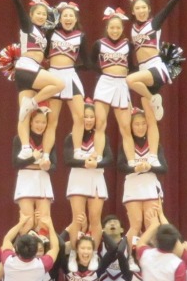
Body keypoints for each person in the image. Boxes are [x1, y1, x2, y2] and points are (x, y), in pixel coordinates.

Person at [125, 0, 187, 166]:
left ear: (148, 10)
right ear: (133, 11)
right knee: (150, 119)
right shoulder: (132, 30)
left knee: (130, 81)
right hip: (144, 73)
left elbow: (171, 4)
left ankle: (154, 99)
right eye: (137, 8)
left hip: (156, 68)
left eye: (144, 7)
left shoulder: (153, 24)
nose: (141, 10)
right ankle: (153, 156)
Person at [3, 0, 63, 158]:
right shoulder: (27, 26)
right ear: (31, 15)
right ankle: (34, 102)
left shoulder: (43, 33)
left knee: (24, 113)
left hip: (28, 72)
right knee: (59, 84)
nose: (42, 16)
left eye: (44, 14)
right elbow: (19, 6)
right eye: (38, 13)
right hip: (27, 67)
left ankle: (25, 148)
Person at [118, 108, 167, 268]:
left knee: (152, 223)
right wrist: (135, 168)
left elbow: (164, 168)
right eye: (137, 124)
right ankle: (130, 257)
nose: (140, 127)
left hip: (150, 186)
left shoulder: (154, 144)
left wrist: (149, 167)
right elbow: (120, 166)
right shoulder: (126, 144)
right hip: (133, 186)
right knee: (136, 224)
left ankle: (154, 258)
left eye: (143, 123)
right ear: (131, 126)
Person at [64, 98, 113, 258]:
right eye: (86, 116)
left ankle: (93, 255)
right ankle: (74, 254)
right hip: (78, 178)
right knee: (78, 218)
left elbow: (109, 159)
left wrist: (96, 164)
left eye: (92, 117)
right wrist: (86, 162)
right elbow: (67, 159)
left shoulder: (101, 137)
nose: (89, 120)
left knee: (95, 219)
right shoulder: (72, 136)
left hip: (96, 179)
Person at [91, 7, 135, 165]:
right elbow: (91, 63)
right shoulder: (99, 44)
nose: (115, 31)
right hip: (105, 83)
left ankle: (132, 161)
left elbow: (132, 67)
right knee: (100, 123)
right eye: (112, 28)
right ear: (107, 28)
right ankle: (97, 156)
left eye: (118, 28)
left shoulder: (128, 45)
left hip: (121, 84)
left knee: (125, 127)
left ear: (122, 28)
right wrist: (104, 73)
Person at [46, 1, 90, 160]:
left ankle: (77, 151)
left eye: (71, 16)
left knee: (80, 117)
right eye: (65, 15)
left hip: (70, 76)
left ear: (76, 19)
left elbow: (87, 62)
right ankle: (46, 154)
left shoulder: (81, 36)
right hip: (53, 76)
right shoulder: (52, 33)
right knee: (51, 120)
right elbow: (43, 53)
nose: (68, 18)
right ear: (60, 18)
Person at [12, 108, 56, 233]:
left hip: (43, 180)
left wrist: (46, 166)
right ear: (30, 122)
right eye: (37, 122)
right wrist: (33, 158)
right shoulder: (20, 139)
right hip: (25, 180)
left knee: (44, 221)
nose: (40, 125)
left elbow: (54, 165)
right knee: (28, 221)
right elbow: (16, 163)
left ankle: (44, 245)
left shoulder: (49, 139)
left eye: (43, 122)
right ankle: (22, 245)